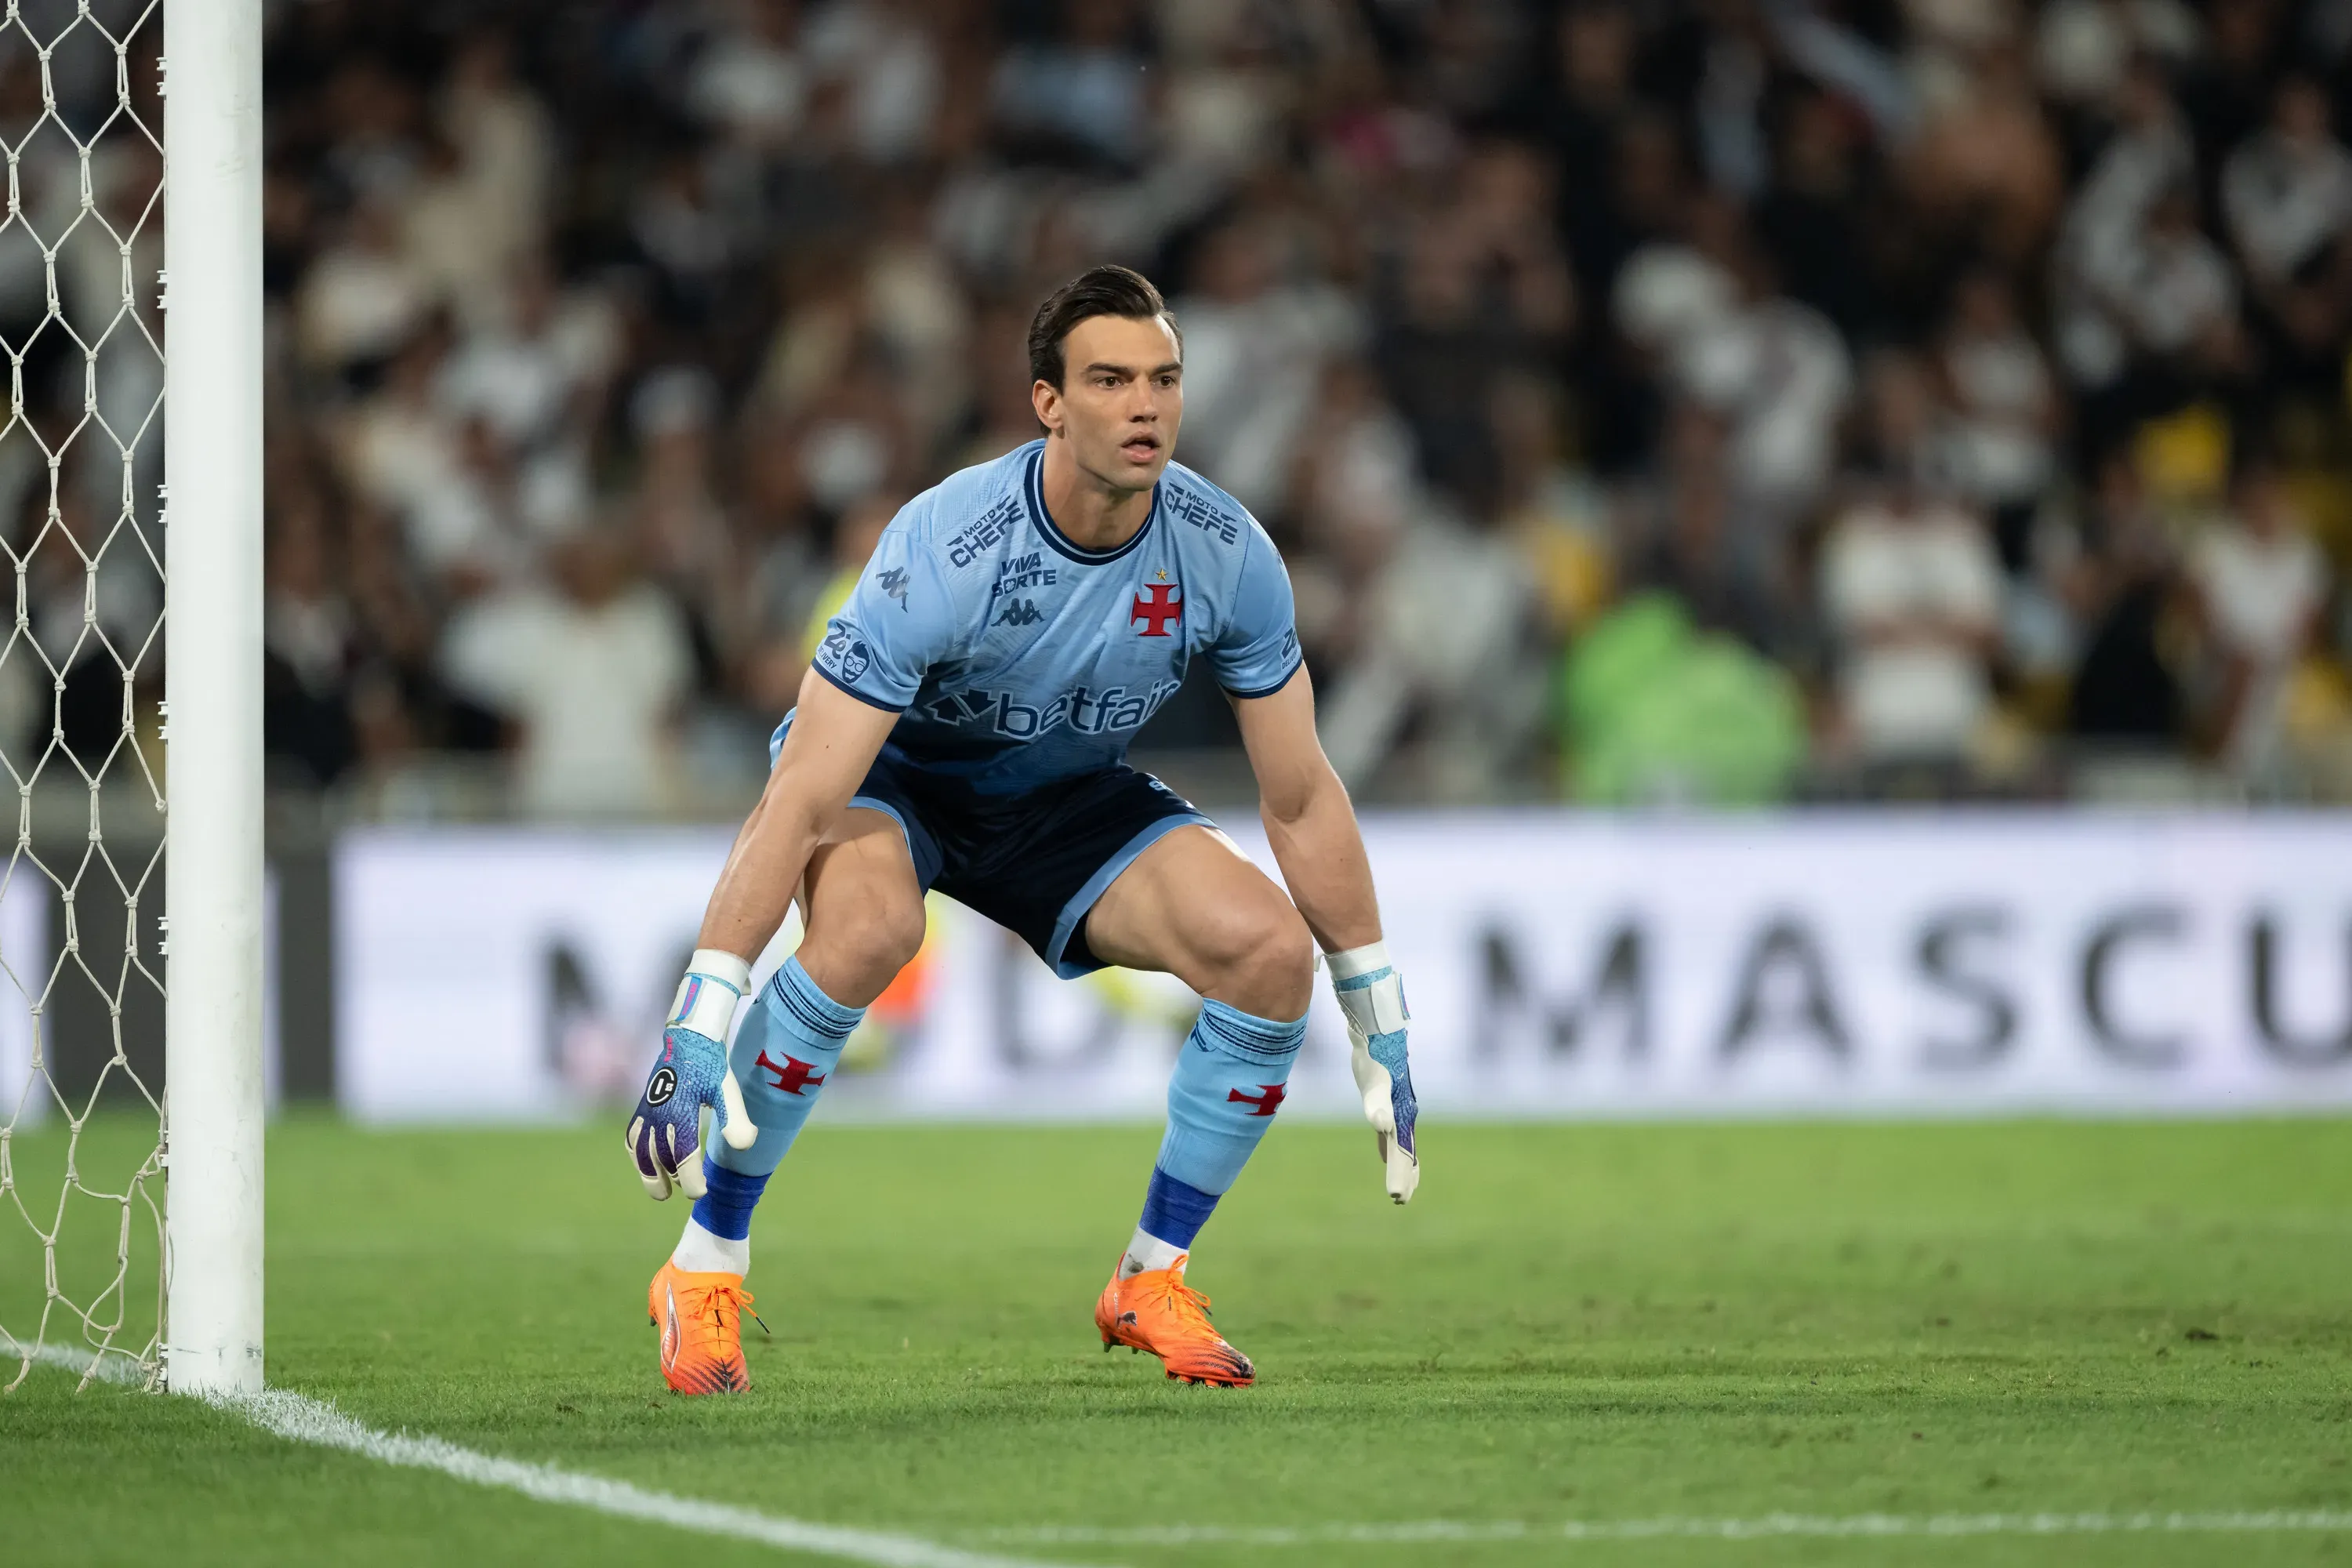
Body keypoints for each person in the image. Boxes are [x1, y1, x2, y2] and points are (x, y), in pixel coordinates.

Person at [622, 266, 1421, 1395]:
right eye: (1109, 380)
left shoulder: (1228, 552)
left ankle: (1150, 1278)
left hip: (1058, 794)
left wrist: (1373, 1002)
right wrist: (702, 1013)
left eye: (1163, 380)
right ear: (1049, 402)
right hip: (896, 778)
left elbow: (1299, 793)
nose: (1144, 406)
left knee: (1267, 954)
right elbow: (800, 796)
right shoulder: (948, 544)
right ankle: (704, 1268)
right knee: (870, 928)